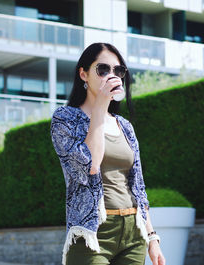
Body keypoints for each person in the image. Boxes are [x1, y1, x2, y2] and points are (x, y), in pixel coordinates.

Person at [50, 42, 166, 265]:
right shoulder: (65, 119)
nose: (111, 76)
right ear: (83, 74)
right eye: (103, 69)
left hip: (133, 231)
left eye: (118, 71)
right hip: (92, 234)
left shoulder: (125, 126)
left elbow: (138, 186)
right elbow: (90, 166)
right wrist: (100, 109)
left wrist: (152, 238)